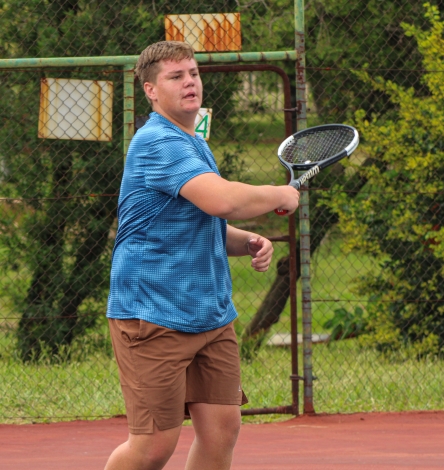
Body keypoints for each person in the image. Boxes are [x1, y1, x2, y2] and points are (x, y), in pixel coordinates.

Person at [104, 40, 299, 470]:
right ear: (151, 90)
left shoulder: (192, 141)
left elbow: (202, 219)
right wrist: (281, 194)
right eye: (175, 76)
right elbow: (222, 200)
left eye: (193, 73)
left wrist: (246, 240)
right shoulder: (157, 141)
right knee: (152, 447)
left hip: (209, 315)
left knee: (222, 430)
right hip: (153, 315)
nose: (189, 82)